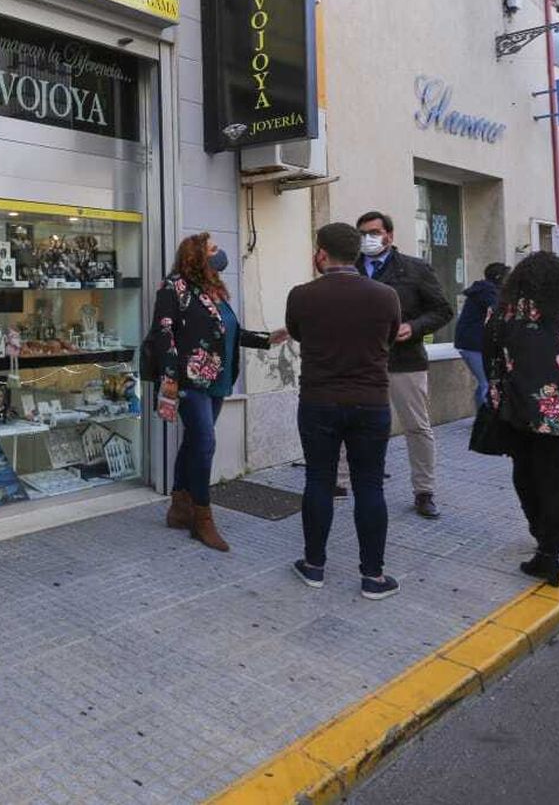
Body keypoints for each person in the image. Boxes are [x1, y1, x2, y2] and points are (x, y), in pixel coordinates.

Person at [149, 232, 286, 552]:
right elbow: (163, 334)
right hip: (188, 382)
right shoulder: (173, 288)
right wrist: (172, 380)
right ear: (196, 256)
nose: (219, 253)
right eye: (212, 249)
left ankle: (179, 507)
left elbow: (228, 332)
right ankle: (202, 517)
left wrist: (267, 339)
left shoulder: (214, 290)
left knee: (195, 440)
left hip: (218, 381)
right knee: (206, 443)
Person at [287, 223, 403, 599]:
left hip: (318, 401)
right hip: (370, 402)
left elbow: (298, 332)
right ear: (356, 254)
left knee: (318, 481)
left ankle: (314, 566)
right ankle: (373, 576)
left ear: (321, 253)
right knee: (369, 485)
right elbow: (389, 337)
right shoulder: (386, 296)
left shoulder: (302, 296)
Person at [484, 252, 559, 587]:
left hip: (518, 413)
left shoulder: (502, 315)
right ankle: (549, 554)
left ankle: (540, 533)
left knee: (525, 476)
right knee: (556, 484)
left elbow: (491, 363)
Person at [355, 211, 454, 518]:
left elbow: (442, 310)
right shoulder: (352, 269)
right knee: (360, 425)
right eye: (362, 234)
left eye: (374, 232)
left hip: (405, 360)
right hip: (363, 362)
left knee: (417, 427)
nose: (368, 239)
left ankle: (424, 492)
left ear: (390, 235)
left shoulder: (415, 268)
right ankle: (350, 481)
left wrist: (414, 326)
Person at [454, 262, 508, 406]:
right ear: (499, 277)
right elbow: (499, 312)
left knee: (486, 382)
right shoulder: (488, 292)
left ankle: (482, 417)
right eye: (507, 277)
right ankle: (484, 420)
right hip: (473, 344)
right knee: (487, 383)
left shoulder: (486, 290)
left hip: (473, 343)